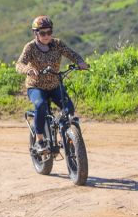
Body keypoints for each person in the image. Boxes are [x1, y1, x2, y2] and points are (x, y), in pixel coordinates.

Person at [15, 15, 89, 152]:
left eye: (49, 32)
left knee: (69, 108)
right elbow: (19, 64)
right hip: (36, 86)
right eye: (42, 33)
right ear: (35, 33)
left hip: (55, 85)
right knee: (41, 104)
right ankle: (40, 141)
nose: (46, 36)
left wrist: (79, 62)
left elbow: (72, 54)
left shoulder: (57, 44)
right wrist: (28, 69)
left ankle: (65, 130)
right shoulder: (30, 47)